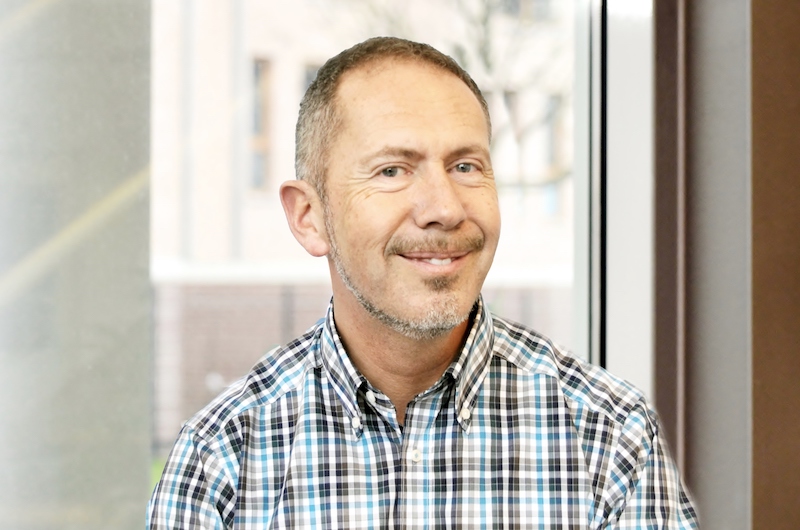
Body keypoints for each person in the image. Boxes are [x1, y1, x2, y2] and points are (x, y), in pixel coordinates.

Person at [148, 37, 698, 529]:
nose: (445, 208)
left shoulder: (610, 440)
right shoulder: (220, 461)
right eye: (393, 170)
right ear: (309, 217)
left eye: (465, 167)